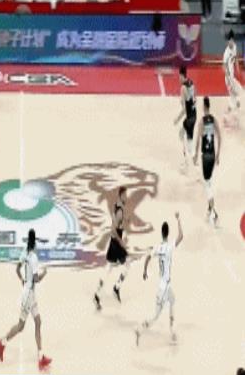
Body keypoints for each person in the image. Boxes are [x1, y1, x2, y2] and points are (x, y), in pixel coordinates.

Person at [0, 229, 52, 371]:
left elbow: (17, 269)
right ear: (35, 243)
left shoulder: (24, 253)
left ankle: (41, 357)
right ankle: (2, 341)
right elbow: (36, 279)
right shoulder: (33, 258)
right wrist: (45, 273)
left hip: (30, 294)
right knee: (21, 326)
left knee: (38, 322)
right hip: (28, 296)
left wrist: (22, 280)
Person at [135, 213, 183, 346]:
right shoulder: (169, 246)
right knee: (155, 316)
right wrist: (178, 219)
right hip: (165, 287)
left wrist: (145, 271)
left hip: (164, 284)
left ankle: (172, 332)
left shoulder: (158, 247)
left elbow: (147, 257)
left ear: (161, 233)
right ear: (168, 233)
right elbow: (181, 236)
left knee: (172, 300)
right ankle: (140, 329)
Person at [94, 187, 130, 310]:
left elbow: (116, 221)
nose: (127, 197)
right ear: (121, 195)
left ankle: (97, 295)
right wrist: (121, 242)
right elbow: (113, 229)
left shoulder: (116, 206)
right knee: (127, 265)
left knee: (109, 268)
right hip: (116, 243)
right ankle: (116, 288)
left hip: (113, 242)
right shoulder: (120, 210)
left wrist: (124, 220)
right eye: (125, 195)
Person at [193, 97, 221, 227]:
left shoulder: (201, 122)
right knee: (208, 181)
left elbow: (198, 140)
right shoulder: (214, 120)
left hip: (205, 156)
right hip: (213, 155)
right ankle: (209, 209)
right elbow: (219, 137)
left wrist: (195, 155)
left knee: (207, 185)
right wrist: (218, 155)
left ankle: (213, 212)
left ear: (204, 107)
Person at [173, 66, 197, 173]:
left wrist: (177, 119)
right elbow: (195, 98)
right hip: (194, 115)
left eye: (179, 77)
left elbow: (184, 109)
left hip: (189, 117)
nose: (179, 79)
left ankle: (187, 164)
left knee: (182, 136)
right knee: (188, 138)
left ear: (182, 75)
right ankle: (192, 161)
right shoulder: (191, 83)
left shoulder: (183, 88)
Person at [223, 30, 242, 122]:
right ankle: (228, 115)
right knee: (235, 94)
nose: (230, 42)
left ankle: (228, 114)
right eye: (229, 41)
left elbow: (235, 57)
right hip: (228, 78)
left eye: (231, 40)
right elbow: (224, 66)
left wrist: (237, 67)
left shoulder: (234, 46)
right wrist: (228, 77)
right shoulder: (226, 53)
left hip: (232, 76)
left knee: (234, 95)